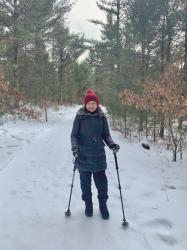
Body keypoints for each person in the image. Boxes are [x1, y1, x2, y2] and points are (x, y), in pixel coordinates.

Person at [71, 89, 120, 219]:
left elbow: (106, 135)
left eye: (94, 103)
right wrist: (75, 148)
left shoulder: (101, 117)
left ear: (97, 104)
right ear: (85, 104)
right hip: (83, 156)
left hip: (98, 156)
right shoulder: (80, 116)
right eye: (89, 103)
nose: (91, 106)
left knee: (102, 184)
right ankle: (88, 204)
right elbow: (74, 135)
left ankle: (103, 205)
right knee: (85, 184)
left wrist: (112, 144)